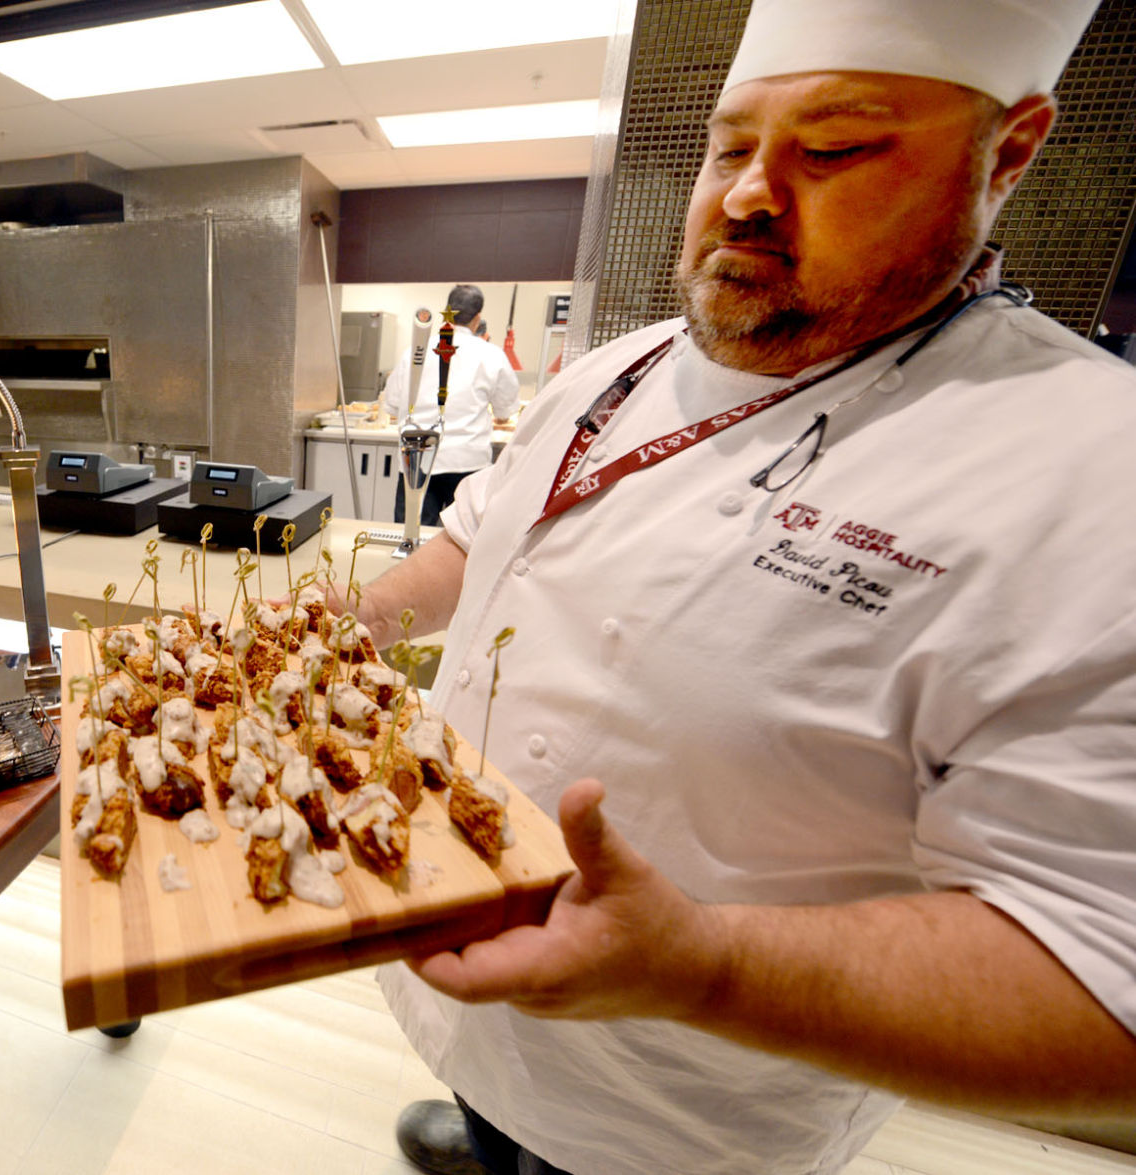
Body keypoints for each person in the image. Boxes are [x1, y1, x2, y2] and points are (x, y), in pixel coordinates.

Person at [343, 2, 1136, 1173]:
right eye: (729, 146)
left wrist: (703, 963)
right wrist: (339, 623)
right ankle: (489, 1125)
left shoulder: (1094, 468)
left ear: (1007, 152)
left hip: (688, 1096)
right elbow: (476, 542)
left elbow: (1104, 978)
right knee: (494, 1112)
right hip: (467, 973)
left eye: (832, 150)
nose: (749, 195)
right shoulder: (613, 370)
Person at [381, 284, 519, 526]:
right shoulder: (492, 355)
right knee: (459, 542)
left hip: (417, 459)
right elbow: (505, 411)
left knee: (412, 537)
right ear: (477, 319)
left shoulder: (415, 350)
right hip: (467, 463)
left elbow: (391, 405)